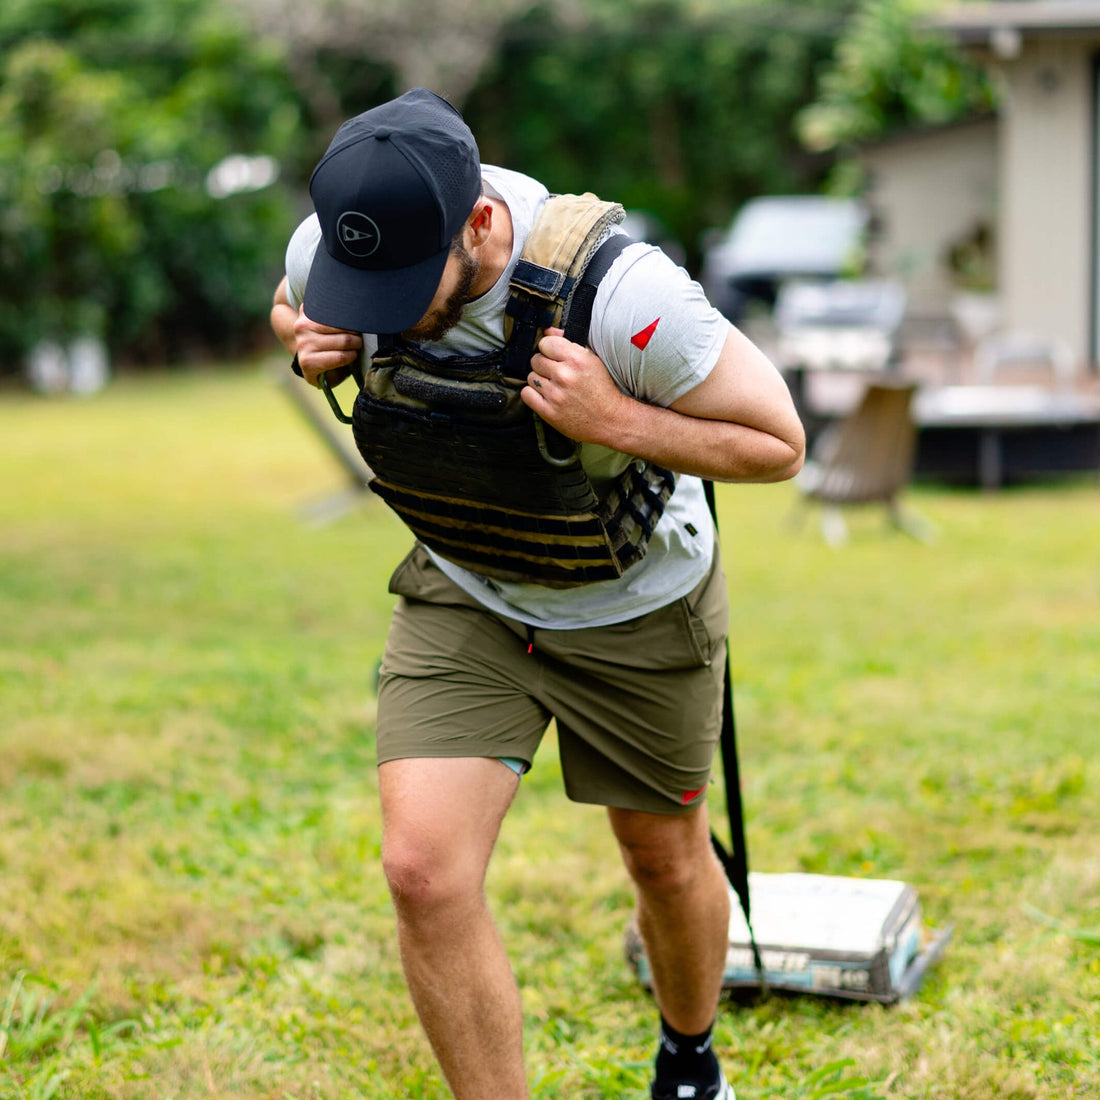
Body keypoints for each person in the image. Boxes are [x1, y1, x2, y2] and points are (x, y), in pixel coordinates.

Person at [270, 88, 804, 1100]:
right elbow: (293, 303)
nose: (373, 306)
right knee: (422, 871)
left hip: (632, 602)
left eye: (398, 287)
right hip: (464, 587)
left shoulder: (627, 297)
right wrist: (309, 342)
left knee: (661, 858)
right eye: (359, 284)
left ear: (477, 224)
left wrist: (618, 416)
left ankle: (689, 1056)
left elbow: (778, 443)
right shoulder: (346, 251)